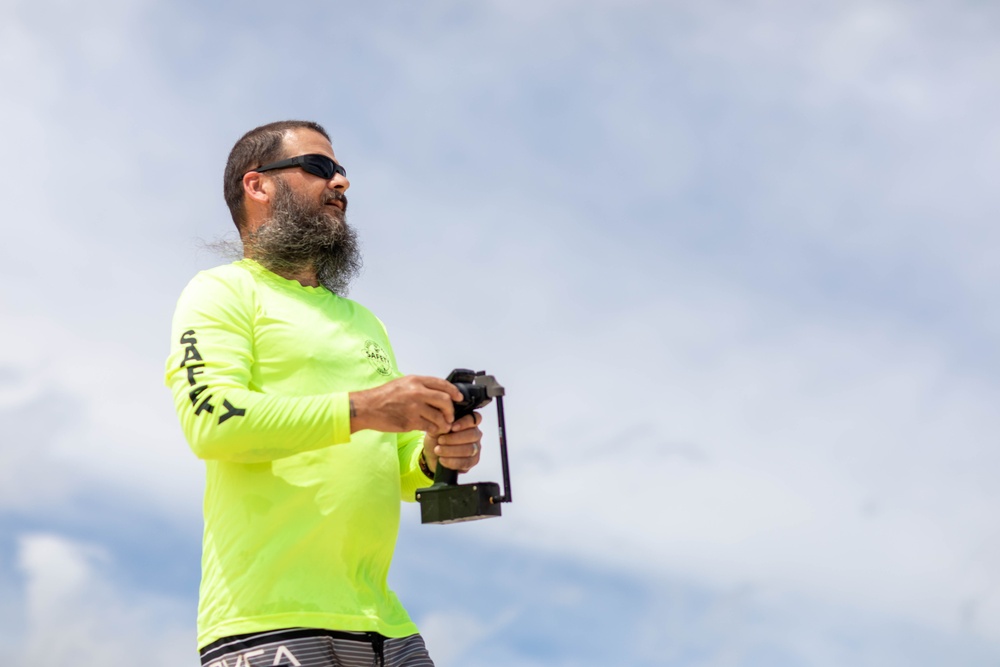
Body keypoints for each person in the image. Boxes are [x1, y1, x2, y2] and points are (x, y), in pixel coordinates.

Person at [165, 120, 484, 667]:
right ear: (258, 185)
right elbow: (212, 422)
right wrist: (365, 408)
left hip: (388, 626)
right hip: (268, 622)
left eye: (341, 171)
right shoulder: (220, 291)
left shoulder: (365, 322)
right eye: (319, 167)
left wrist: (435, 455)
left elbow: (396, 463)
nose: (341, 183)